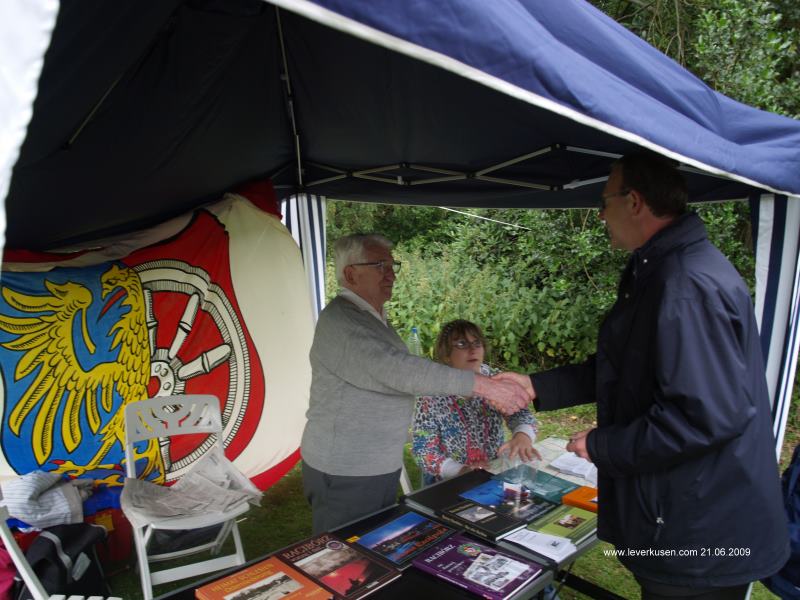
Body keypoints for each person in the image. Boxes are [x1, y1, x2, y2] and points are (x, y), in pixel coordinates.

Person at [497, 153, 789, 599]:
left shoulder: (686, 284)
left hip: (701, 531)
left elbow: (705, 417)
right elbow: (628, 366)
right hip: (686, 515)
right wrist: (539, 385)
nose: (599, 214)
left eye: (604, 201)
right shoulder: (659, 269)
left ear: (634, 202)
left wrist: (602, 445)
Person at [300, 234, 531, 534]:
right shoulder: (344, 321)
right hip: (346, 470)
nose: (392, 273)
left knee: (370, 546)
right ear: (351, 273)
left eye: (392, 264)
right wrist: (481, 385)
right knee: (342, 557)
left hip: (371, 465)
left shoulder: (370, 316)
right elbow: (398, 371)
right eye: (380, 265)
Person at [412, 319, 540, 485]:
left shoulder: (495, 379)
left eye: (477, 343)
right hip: (449, 480)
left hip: (492, 471)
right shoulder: (431, 394)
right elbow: (424, 451)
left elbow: (521, 414)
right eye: (461, 344)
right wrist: (461, 470)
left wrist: (522, 435)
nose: (472, 350)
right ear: (446, 355)